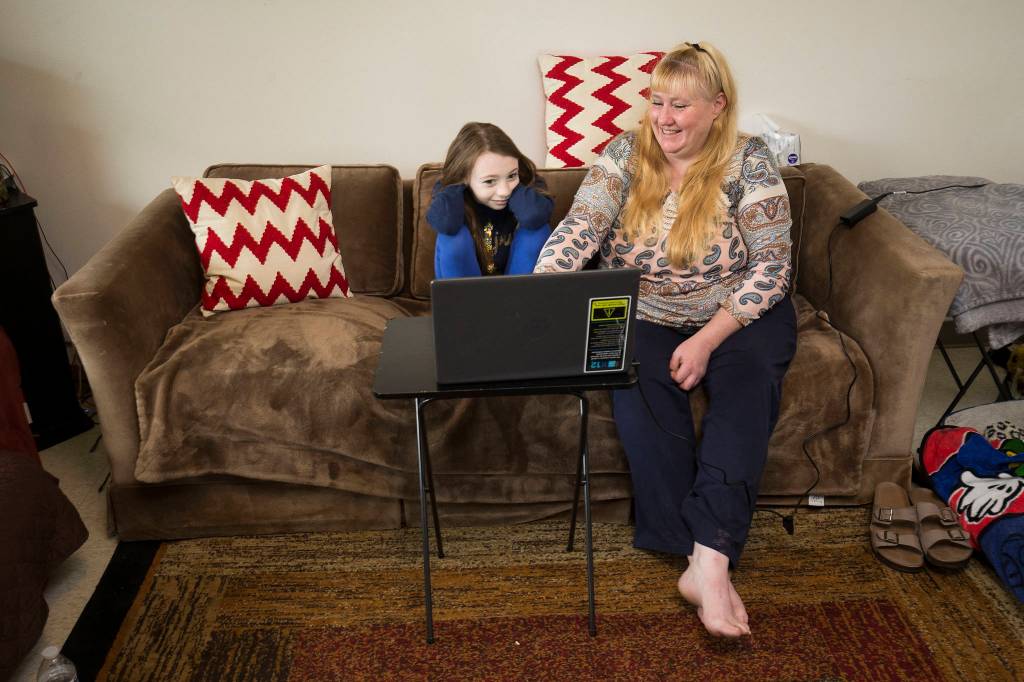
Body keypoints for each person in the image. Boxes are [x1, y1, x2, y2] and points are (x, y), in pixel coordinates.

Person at [534, 42, 796, 638]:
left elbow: (774, 268)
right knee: (633, 382)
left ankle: (711, 558)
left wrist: (707, 340)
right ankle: (695, 551)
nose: (665, 117)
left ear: (717, 107)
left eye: (681, 105)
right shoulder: (626, 152)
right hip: (641, 305)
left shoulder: (749, 161)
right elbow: (581, 227)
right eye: (657, 102)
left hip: (736, 309)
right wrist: (541, 293)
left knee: (748, 387)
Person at [427, 122, 553, 278]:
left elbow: (535, 216)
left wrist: (516, 180)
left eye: (512, 175)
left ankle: (518, 300)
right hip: (468, 294)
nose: (504, 191)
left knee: (537, 231)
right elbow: (446, 224)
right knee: (453, 238)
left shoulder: (528, 185)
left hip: (515, 292)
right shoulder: (449, 194)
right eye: (489, 181)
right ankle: (464, 302)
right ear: (464, 177)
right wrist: (458, 181)